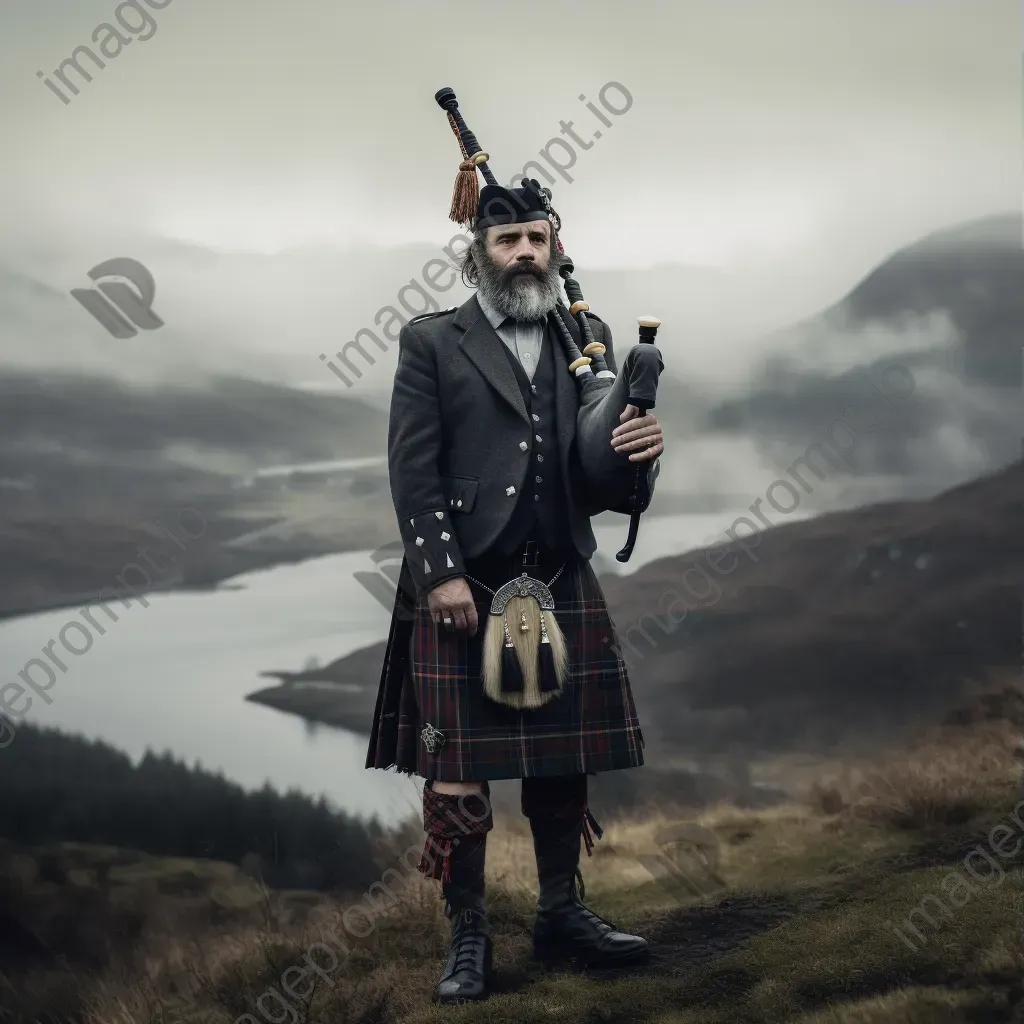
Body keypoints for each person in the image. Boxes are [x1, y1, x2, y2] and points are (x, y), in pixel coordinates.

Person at [364, 104, 665, 1005]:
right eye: (510, 242)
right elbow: (412, 472)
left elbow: (600, 473)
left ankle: (562, 914)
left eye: (537, 238)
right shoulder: (432, 341)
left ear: (552, 246)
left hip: (558, 569)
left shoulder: (586, 333)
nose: (526, 253)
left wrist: (637, 450)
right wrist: (440, 573)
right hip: (470, 579)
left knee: (560, 761)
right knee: (457, 767)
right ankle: (467, 939)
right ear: (479, 252)